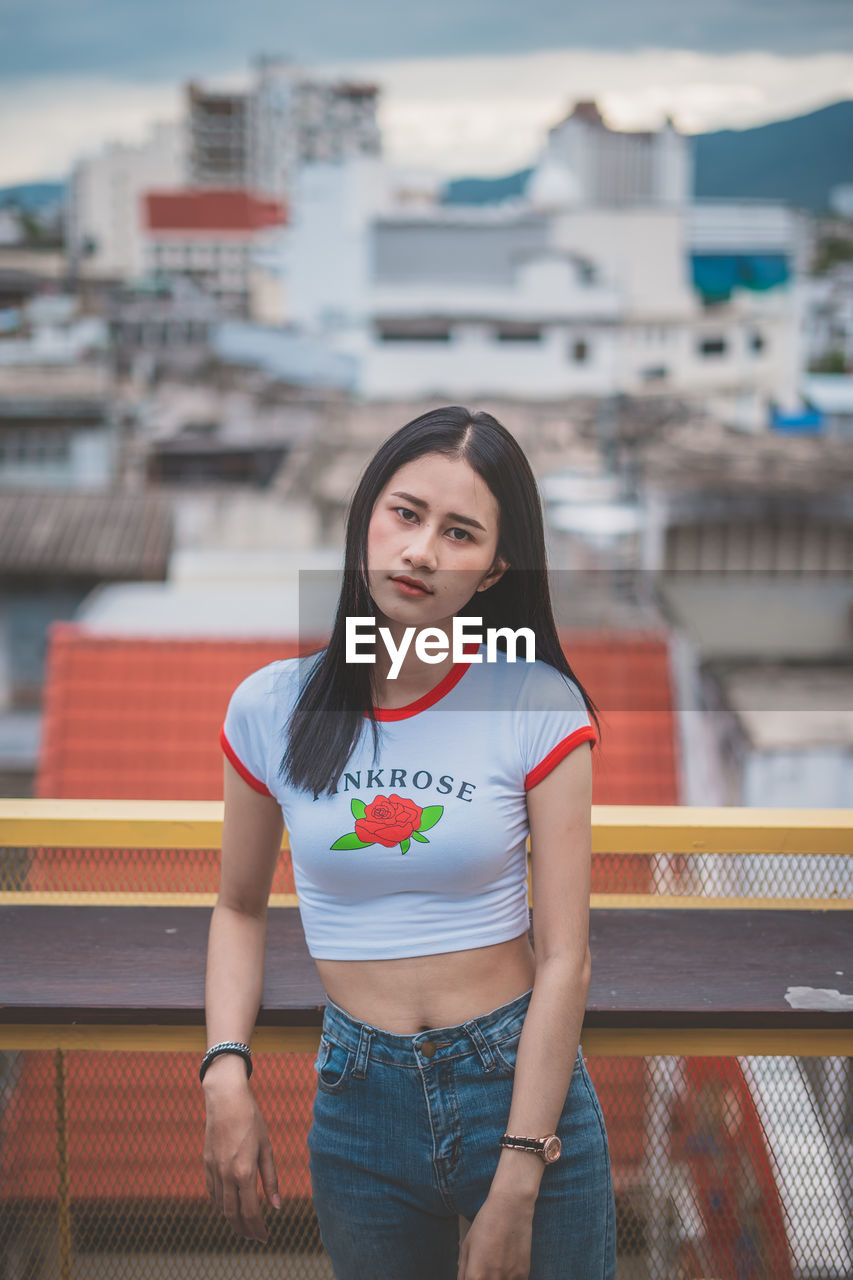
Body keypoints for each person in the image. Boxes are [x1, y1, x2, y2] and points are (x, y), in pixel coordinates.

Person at [202, 406, 617, 1280]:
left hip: (517, 1084)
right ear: (365, 518)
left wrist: (517, 1174)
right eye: (405, 513)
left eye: (458, 532)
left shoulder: (534, 703)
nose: (421, 550)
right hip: (357, 1101)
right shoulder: (273, 706)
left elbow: (566, 958)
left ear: (495, 567)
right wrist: (224, 1072)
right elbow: (239, 907)